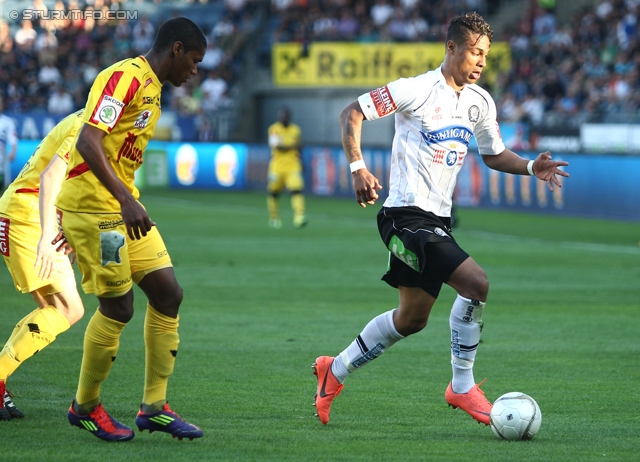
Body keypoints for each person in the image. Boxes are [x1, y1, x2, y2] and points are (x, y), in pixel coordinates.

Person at [313, 12, 569, 426]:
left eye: (485, 53)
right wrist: (357, 166)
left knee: (411, 319)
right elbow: (351, 114)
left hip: (437, 221)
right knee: (476, 282)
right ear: (451, 48)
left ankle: (334, 370)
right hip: (403, 217)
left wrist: (527, 167)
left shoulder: (479, 102)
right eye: (474, 52)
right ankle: (462, 386)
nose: (481, 61)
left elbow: (492, 153)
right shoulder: (415, 89)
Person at [56, 17, 206, 442]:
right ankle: (84, 407)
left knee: (168, 294)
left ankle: (154, 407)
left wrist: (125, 201)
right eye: (193, 61)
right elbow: (88, 141)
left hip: (119, 210)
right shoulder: (124, 77)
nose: (194, 71)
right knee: (118, 308)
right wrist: (125, 200)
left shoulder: (154, 88)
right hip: (100, 212)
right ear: (176, 49)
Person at [0, 110, 86, 421]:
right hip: (27, 217)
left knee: (54, 310)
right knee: (67, 309)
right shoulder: (90, 124)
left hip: (23, 213)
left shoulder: (84, 116)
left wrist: (63, 228)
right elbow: (51, 176)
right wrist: (50, 233)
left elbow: (67, 180)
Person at [266, 106, 307, 229]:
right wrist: (293, 146)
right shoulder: (273, 129)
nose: (284, 118)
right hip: (277, 167)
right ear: (279, 117)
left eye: (286, 116)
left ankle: (299, 217)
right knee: (274, 193)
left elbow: (299, 147)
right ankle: (274, 218)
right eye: (282, 116)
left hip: (293, 166)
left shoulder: (296, 130)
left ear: (289, 117)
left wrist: (302, 161)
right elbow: (277, 147)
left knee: (297, 190)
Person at [0, 97, 18, 191]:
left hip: (1, 158)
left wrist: (13, 151)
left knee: (3, 187)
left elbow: (13, 139)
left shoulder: (7, 122)